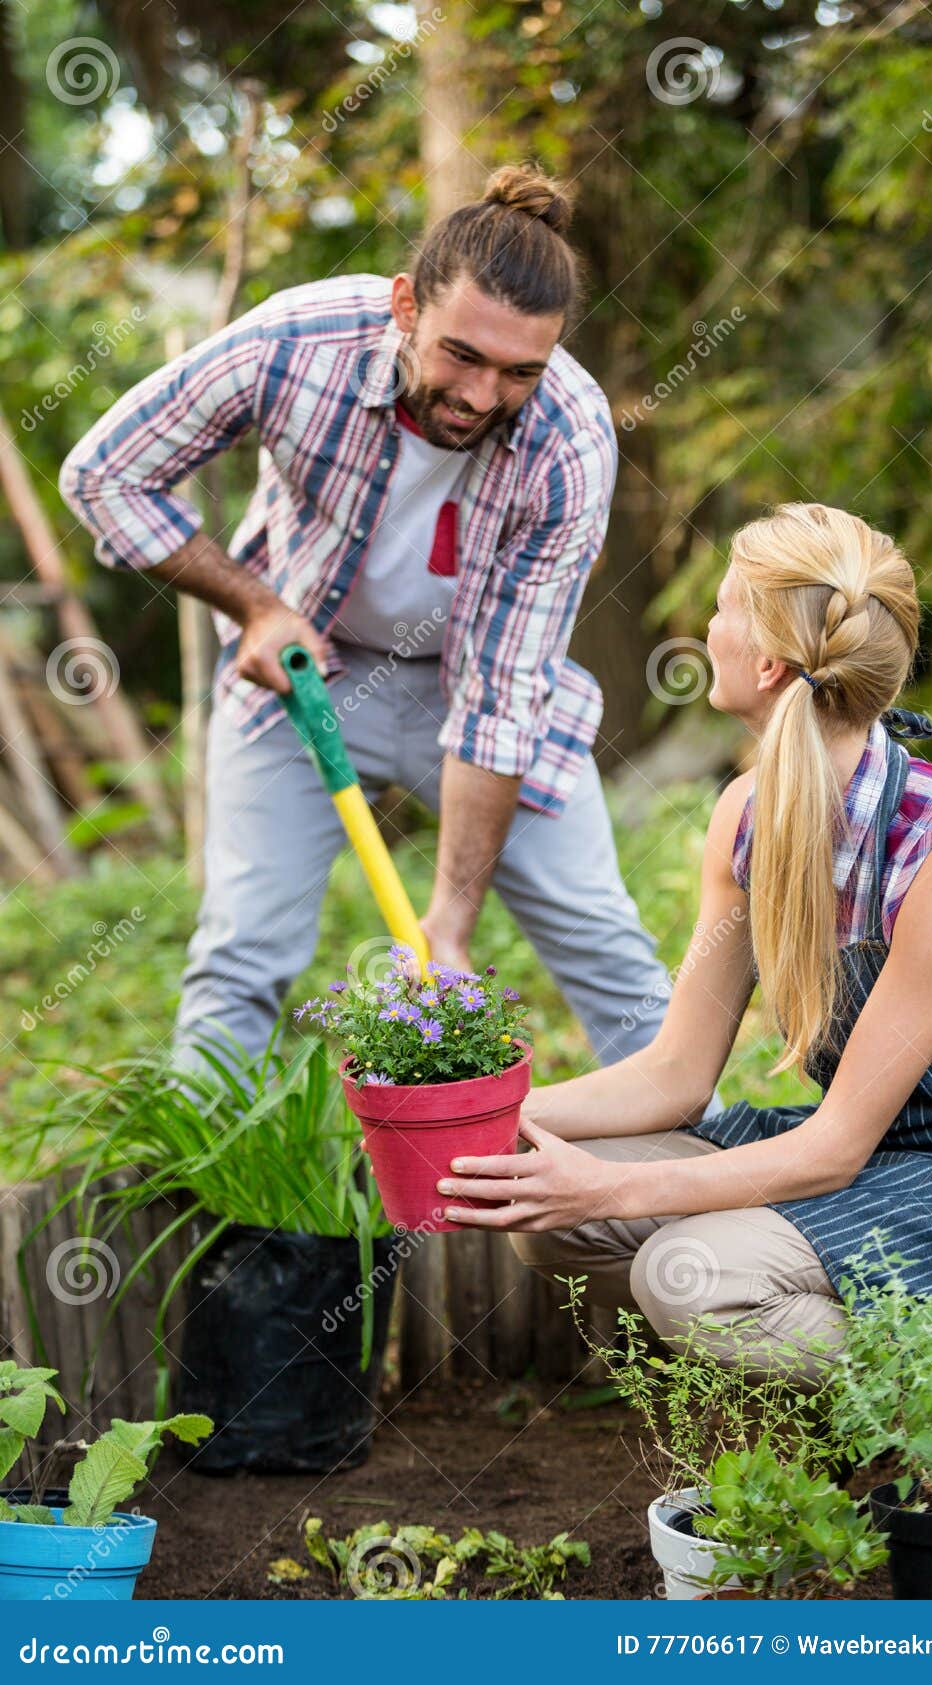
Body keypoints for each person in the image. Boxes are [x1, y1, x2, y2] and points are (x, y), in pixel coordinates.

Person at [59, 164, 701, 1089]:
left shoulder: (570, 440)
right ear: (405, 305)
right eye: (461, 356)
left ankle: (700, 1177)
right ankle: (208, 1205)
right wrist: (253, 604)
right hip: (305, 672)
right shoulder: (298, 340)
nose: (482, 396)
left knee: (606, 948)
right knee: (242, 948)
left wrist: (449, 921)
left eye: (519, 370)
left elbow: (503, 697)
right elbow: (105, 473)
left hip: (478, 693)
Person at [434, 502, 932, 1385]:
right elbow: (676, 1073)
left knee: (692, 1279)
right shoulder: (745, 816)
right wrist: (480, 1123)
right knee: (549, 1207)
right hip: (872, 1147)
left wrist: (614, 1187)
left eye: (724, 607)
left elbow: (831, 1150)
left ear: (767, 662)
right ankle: (801, 1389)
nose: (706, 625)